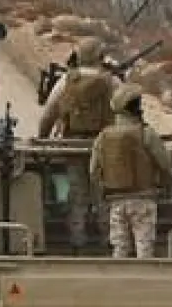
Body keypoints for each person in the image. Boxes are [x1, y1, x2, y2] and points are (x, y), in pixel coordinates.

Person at [36, 37, 118, 251]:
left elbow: (48, 115)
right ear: (101, 57)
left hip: (73, 145)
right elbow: (129, 115)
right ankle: (108, 242)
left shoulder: (66, 81)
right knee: (103, 194)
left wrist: (41, 141)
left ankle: (77, 241)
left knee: (77, 194)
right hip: (104, 145)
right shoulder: (112, 82)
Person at [89, 84, 172, 258]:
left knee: (120, 248)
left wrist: (103, 190)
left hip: (116, 202)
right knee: (144, 248)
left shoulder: (103, 136)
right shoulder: (146, 133)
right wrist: (171, 179)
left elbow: (93, 171)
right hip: (143, 199)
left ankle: (120, 282)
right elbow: (165, 164)